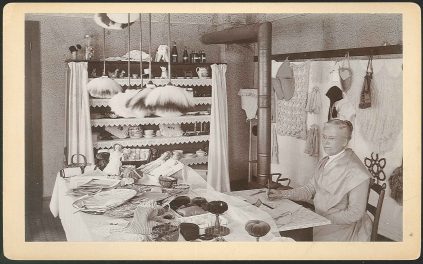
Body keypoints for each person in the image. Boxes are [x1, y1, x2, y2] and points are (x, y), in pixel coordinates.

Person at [268, 119, 373, 241]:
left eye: (331, 138)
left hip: (341, 229)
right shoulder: (325, 161)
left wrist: (321, 219)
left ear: (345, 141)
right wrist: (283, 194)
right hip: (320, 220)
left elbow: (355, 213)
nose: (325, 142)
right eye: (324, 137)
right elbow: (309, 189)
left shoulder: (357, 172)